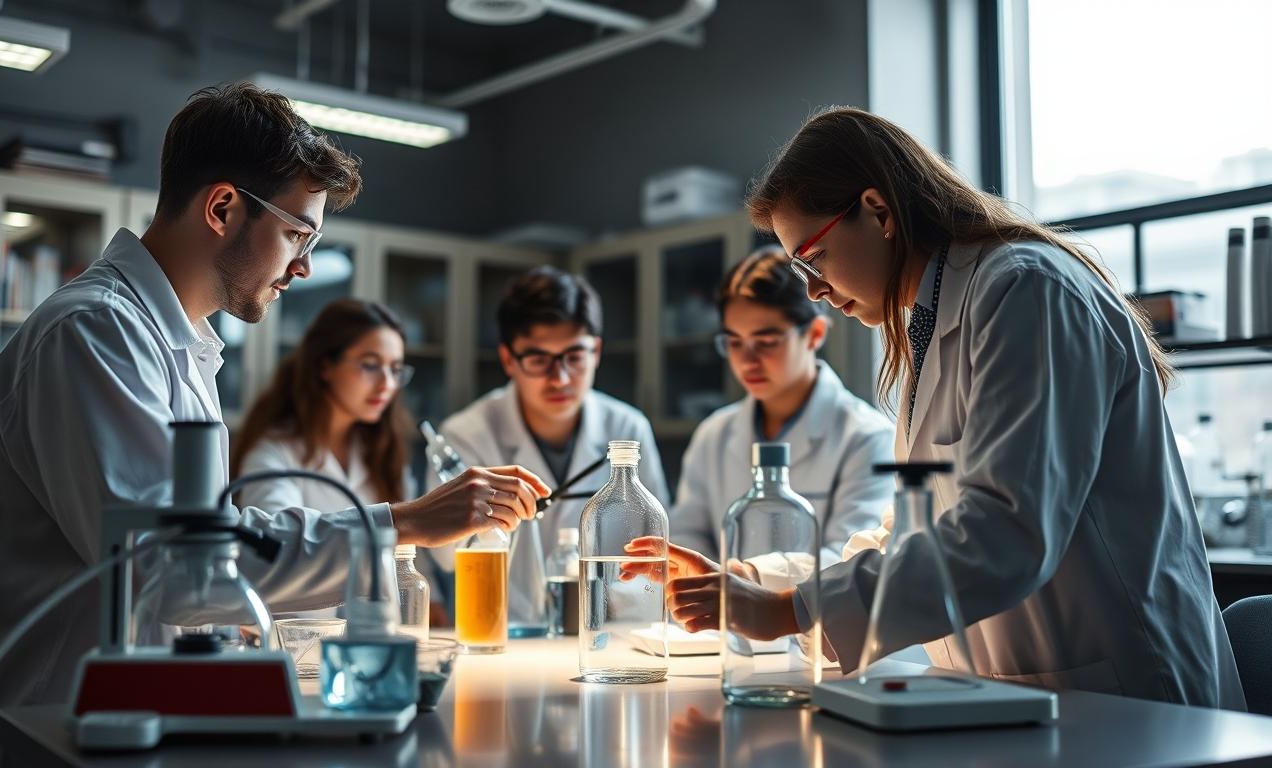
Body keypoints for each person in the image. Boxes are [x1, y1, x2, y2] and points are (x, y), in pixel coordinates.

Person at [0, 83, 548, 766]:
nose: (303, 266)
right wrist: (401, 524)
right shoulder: (94, 333)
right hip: (37, 739)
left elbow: (193, 573)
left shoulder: (178, 345)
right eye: (297, 234)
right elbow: (174, 568)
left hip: (120, 730)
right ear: (223, 207)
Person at [657, 106, 1244, 709]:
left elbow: (1004, 531)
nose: (813, 288)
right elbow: (917, 527)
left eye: (814, 256)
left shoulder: (1027, 288)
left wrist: (791, 609)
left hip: (1129, 697)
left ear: (878, 211)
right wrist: (759, 581)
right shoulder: (936, 318)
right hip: (1026, 695)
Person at [430, 266, 668, 622]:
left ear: (596, 351)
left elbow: (657, 544)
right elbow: (446, 555)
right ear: (508, 360)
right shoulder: (467, 434)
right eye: (539, 360)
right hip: (504, 627)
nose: (559, 378)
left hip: (610, 628)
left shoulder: (628, 428)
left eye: (574, 357)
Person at [668, 246, 893, 567]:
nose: (747, 361)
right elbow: (686, 538)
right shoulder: (713, 435)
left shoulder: (867, 437)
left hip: (809, 604)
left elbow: (853, 559)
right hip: (721, 600)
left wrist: (747, 579)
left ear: (814, 334)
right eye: (734, 342)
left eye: (766, 342)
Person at [232, 298, 446, 623]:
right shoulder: (274, 453)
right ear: (325, 366)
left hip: (376, 634)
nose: (387, 384)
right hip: (300, 639)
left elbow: (412, 553)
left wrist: (432, 606)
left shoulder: (382, 451)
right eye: (370, 365)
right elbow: (277, 553)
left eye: (395, 369)